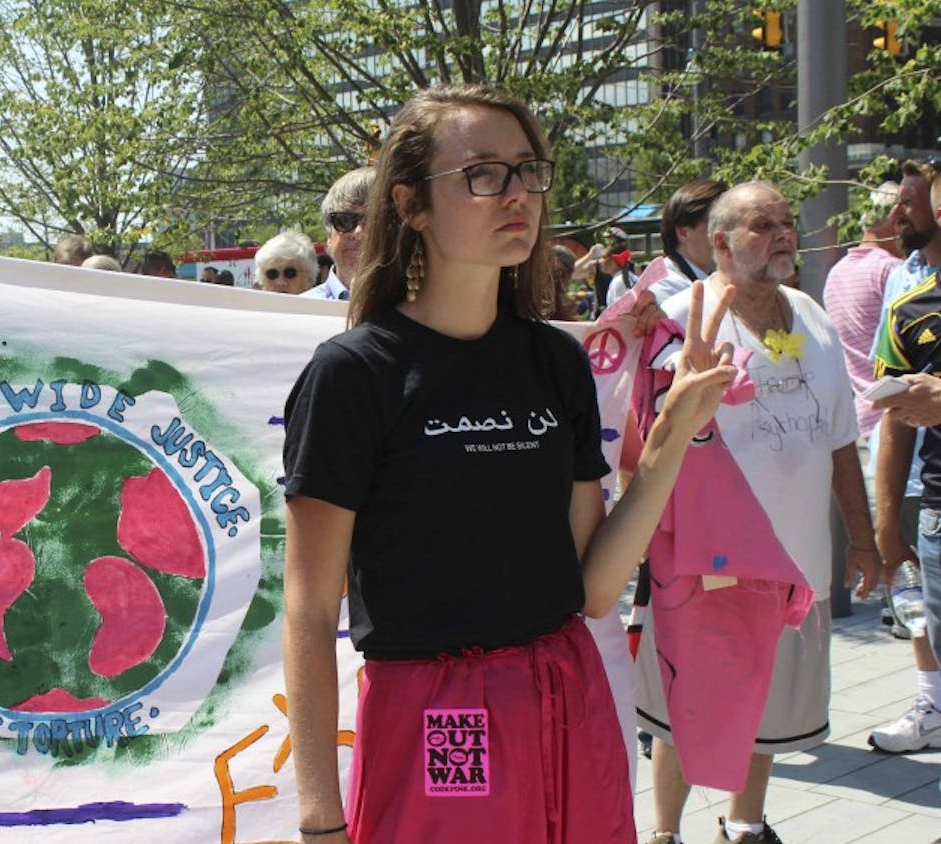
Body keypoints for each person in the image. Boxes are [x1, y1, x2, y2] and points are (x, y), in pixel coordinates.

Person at [281, 82, 736, 844]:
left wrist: (668, 440)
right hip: (439, 714)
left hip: (568, 698)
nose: (517, 192)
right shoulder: (355, 374)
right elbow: (309, 608)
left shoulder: (554, 363)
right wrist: (321, 818)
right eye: (483, 174)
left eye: (527, 170)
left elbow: (592, 588)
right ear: (411, 205)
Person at [636, 182, 876, 844]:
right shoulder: (680, 314)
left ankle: (744, 826)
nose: (782, 235)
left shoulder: (812, 315)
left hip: (795, 565)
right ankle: (664, 834)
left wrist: (864, 540)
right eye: (761, 225)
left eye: (786, 223)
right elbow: (643, 439)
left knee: (773, 706)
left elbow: (839, 441)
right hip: (701, 565)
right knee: (682, 711)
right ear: (719, 243)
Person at [869, 161, 941, 755]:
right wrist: (886, 527)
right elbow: (893, 411)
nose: (901, 216)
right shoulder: (908, 304)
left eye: (912, 203)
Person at [823, 181, 901, 439]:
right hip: (898, 419)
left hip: (861, 418)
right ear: (895, 219)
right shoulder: (894, 272)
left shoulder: (835, 274)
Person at [636, 179, 729, 302]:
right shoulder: (665, 292)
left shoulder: (699, 279)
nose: (729, 232)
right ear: (684, 232)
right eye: (718, 222)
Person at [304, 167, 374, 301]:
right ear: (328, 235)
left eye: (374, 221)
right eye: (344, 221)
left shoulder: (420, 312)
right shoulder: (298, 312)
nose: (359, 233)